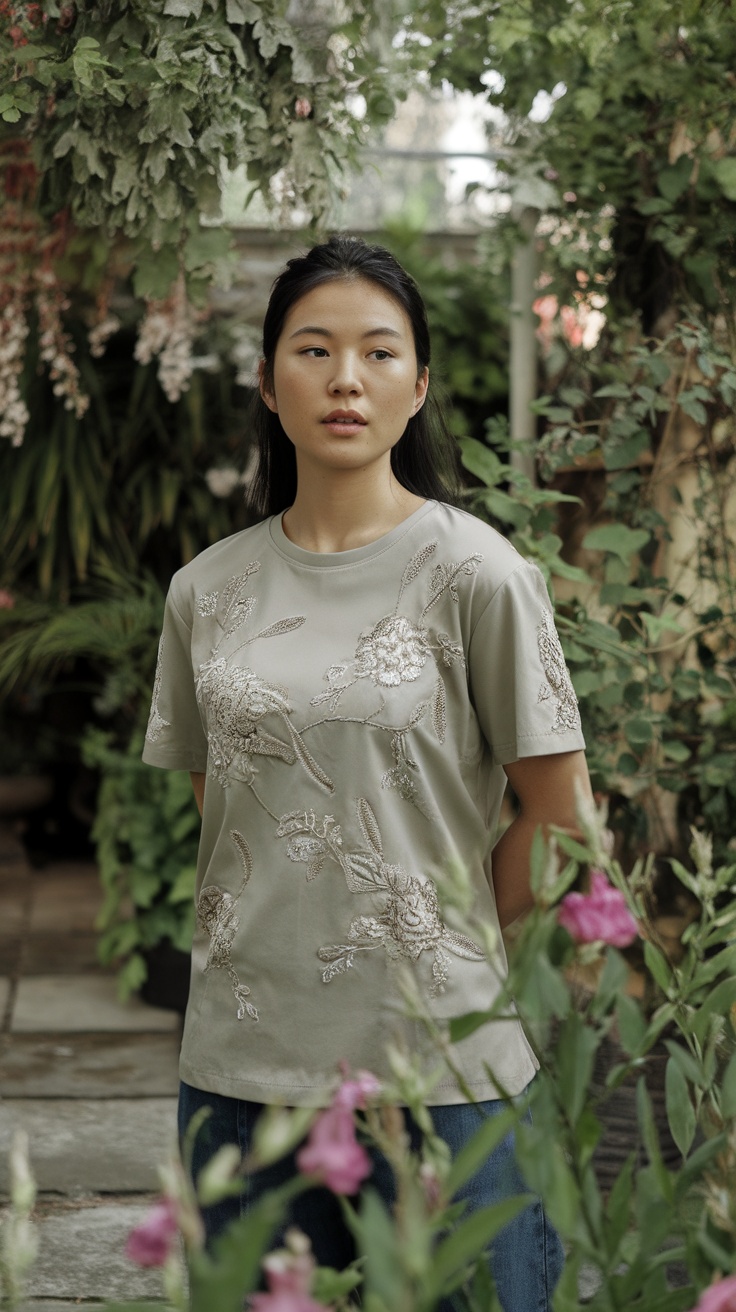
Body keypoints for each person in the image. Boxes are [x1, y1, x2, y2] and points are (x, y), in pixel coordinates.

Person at [142, 234, 592, 1310]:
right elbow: (228, 805)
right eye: (313, 349)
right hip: (242, 1073)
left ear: (419, 383)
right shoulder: (207, 591)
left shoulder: (479, 575)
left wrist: (455, 938)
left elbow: (559, 813)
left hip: (439, 1071)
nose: (346, 379)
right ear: (266, 378)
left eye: (379, 353)